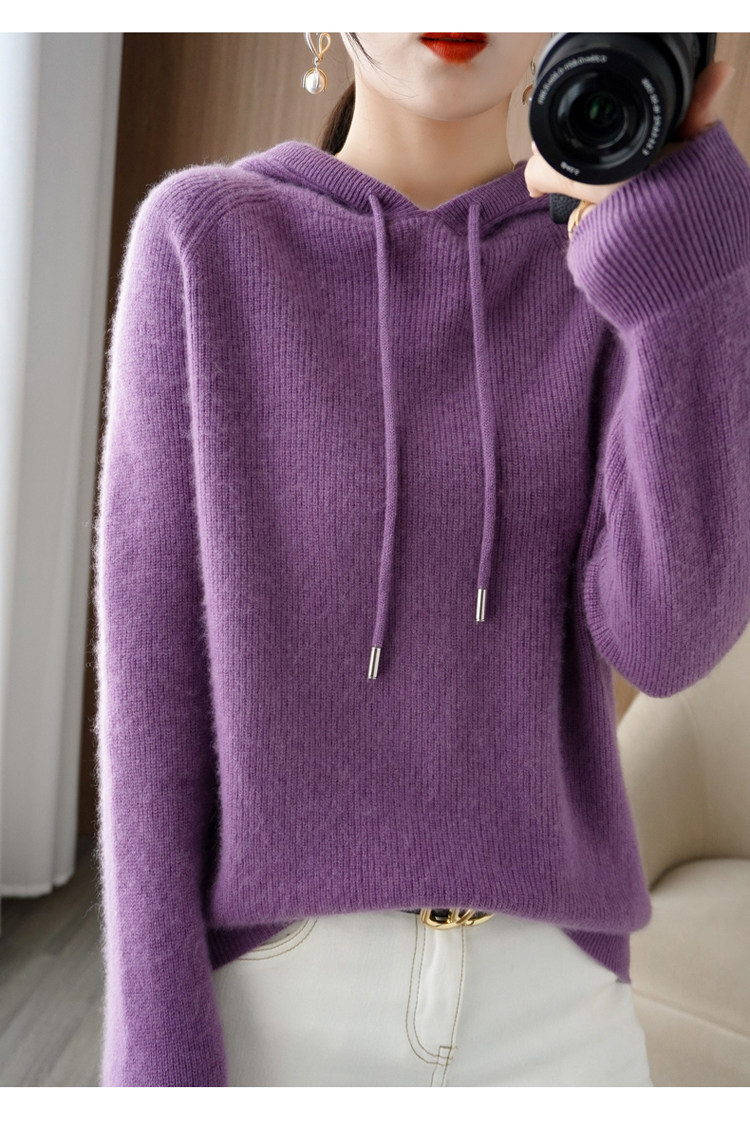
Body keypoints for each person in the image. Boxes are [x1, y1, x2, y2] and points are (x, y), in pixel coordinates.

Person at [93, 32, 749, 1086]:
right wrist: (155, 1077)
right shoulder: (205, 241)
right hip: (277, 1001)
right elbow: (149, 710)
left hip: (558, 1004)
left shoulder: (608, 267)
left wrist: (687, 281)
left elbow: (670, 640)